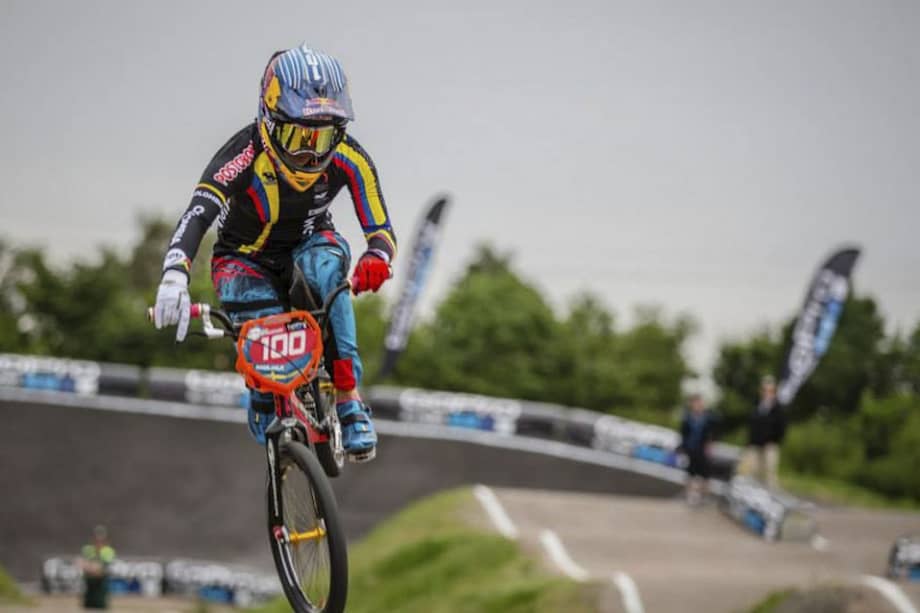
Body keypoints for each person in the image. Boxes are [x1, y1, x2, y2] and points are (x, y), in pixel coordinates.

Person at [153, 45, 396, 461]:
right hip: (243, 258)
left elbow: (381, 230)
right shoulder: (242, 154)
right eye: (297, 136)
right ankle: (262, 392)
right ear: (269, 120)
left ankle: (350, 399)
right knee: (253, 312)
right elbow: (197, 215)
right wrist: (175, 273)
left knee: (326, 271)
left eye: (322, 137)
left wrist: (377, 257)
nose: (310, 153)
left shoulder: (350, 156)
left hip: (311, 242)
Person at [739, 375, 787, 489]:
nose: (767, 393)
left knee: (769, 472)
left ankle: (770, 495)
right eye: (764, 390)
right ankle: (751, 494)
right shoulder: (757, 406)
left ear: (774, 392)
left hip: (770, 445)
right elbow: (751, 425)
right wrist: (749, 442)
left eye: (770, 390)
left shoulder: (778, 408)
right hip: (755, 444)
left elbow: (782, 427)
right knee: (751, 470)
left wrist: (774, 440)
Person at [678, 393, 716, 505]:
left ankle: (704, 496)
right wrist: (683, 447)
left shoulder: (708, 418)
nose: (697, 405)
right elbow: (683, 434)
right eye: (695, 403)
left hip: (702, 449)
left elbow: (712, 434)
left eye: (699, 403)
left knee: (705, 474)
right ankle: (688, 494)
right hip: (691, 449)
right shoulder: (688, 418)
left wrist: (709, 446)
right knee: (690, 472)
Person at [78, 525, 116, 610]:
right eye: (97, 537)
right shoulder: (88, 549)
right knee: (88, 606)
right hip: (89, 583)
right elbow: (82, 563)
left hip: (101, 583)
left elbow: (105, 567)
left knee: (100, 606)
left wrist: (93, 568)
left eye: (101, 537)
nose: (98, 540)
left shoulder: (108, 550)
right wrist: (91, 567)